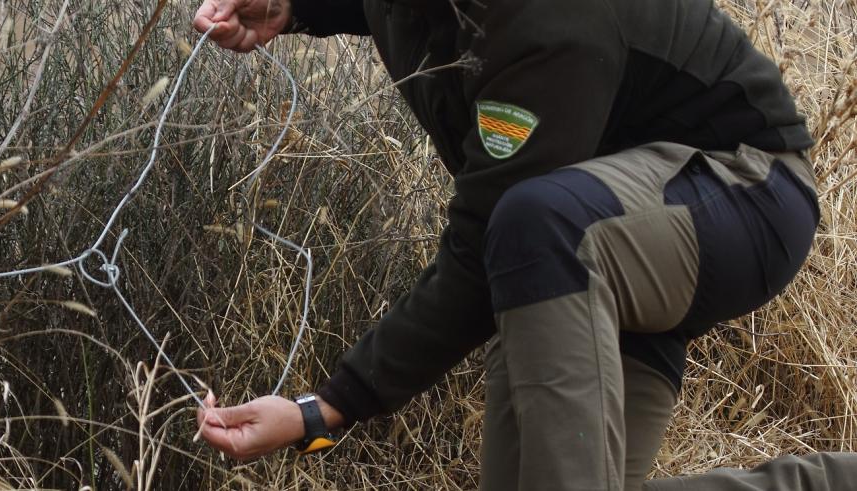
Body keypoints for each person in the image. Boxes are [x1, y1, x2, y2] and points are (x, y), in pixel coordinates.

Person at [192, 0, 857, 489]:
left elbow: (483, 243)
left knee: (531, 221)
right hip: (593, 226)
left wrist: (327, 406)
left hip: (741, 190)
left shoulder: (551, 20)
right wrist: (292, 8)